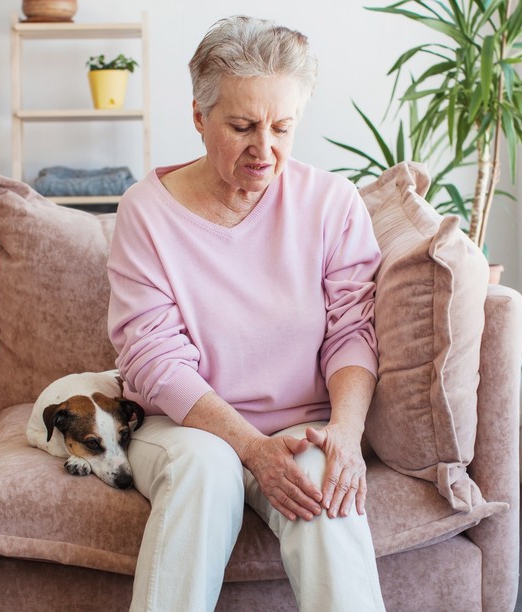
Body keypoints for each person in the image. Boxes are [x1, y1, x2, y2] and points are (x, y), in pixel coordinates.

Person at [107, 15, 385, 612]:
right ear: (199, 118)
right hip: (184, 427)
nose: (266, 149)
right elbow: (152, 357)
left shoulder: (331, 203)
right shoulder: (146, 213)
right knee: (207, 467)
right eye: (242, 126)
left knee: (322, 480)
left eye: (283, 127)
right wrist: (249, 449)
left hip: (297, 425)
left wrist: (345, 433)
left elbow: (352, 331)